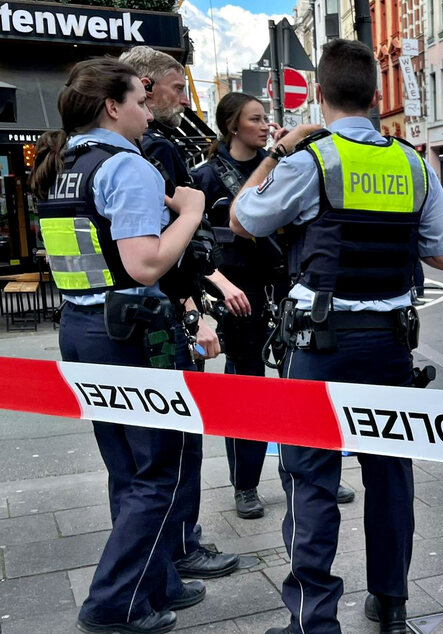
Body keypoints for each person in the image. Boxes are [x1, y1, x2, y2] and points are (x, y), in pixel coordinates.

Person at [231, 38, 443, 634]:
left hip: (322, 345)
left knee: (311, 475)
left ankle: (314, 620)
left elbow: (243, 217)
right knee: (390, 474)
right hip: (390, 345)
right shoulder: (412, 163)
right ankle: (391, 604)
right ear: (377, 96)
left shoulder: (312, 160)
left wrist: (278, 148)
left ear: (321, 94)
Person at [30, 58, 207, 634]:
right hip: (130, 331)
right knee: (158, 472)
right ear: (113, 106)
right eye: (139, 100)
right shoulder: (126, 167)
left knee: (127, 471)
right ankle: (113, 603)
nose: (146, 109)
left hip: (82, 328)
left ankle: (153, 583)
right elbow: (146, 262)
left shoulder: (66, 165)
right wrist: (192, 211)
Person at [191, 93, 355, 518]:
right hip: (240, 293)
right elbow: (194, 247)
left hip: (284, 285)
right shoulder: (206, 176)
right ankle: (245, 484)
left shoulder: (284, 164)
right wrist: (219, 285)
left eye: (267, 119)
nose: (265, 125)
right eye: (256, 118)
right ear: (233, 125)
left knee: (299, 385)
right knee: (245, 389)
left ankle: (312, 474)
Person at [120, 45, 239, 579]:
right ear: (145, 85)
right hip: (163, 317)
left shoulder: (84, 155)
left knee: (137, 453)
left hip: (113, 318)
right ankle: (180, 545)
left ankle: (156, 554)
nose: (178, 97)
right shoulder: (155, 154)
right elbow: (173, 248)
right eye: (174, 86)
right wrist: (196, 314)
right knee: (178, 435)